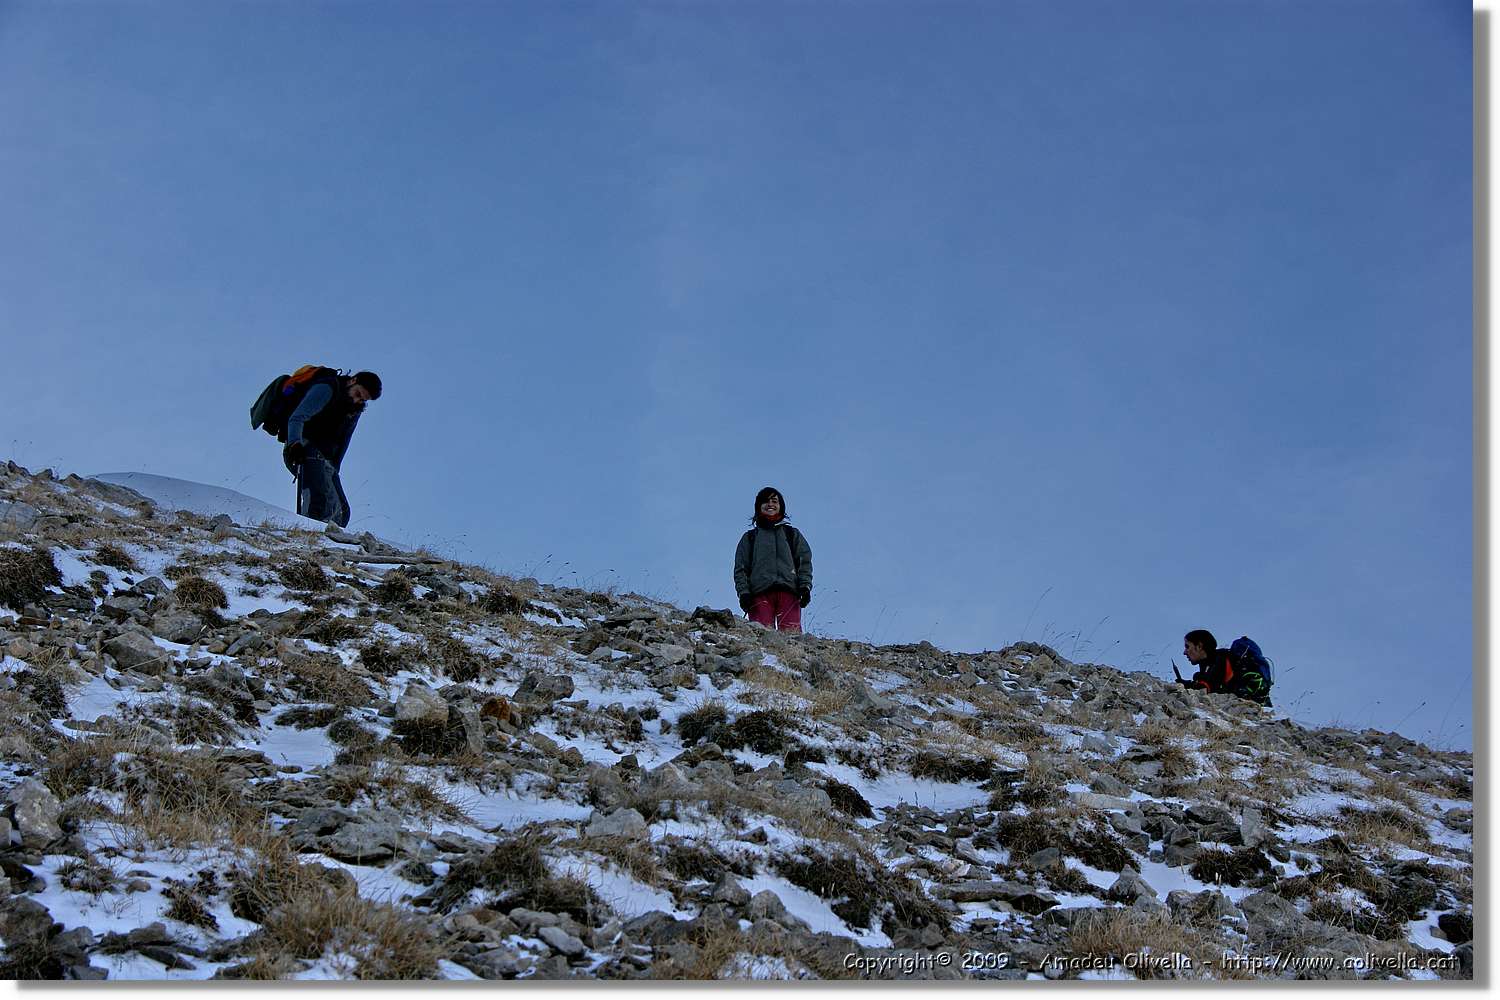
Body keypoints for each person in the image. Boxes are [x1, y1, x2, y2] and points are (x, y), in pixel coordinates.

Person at [282, 370, 382, 528]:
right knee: (319, 501)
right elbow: (297, 417)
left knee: (342, 512)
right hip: (303, 449)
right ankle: (307, 536)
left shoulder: (355, 409)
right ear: (352, 381)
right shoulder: (327, 389)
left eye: (362, 400)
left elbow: (344, 442)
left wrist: (335, 469)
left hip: (327, 460)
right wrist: (294, 444)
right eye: (357, 394)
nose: (357, 400)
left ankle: (325, 541)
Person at [733, 486, 813, 633]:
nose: (770, 504)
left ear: (781, 506)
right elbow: (741, 568)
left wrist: (805, 586)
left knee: (792, 638)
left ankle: (791, 657)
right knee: (762, 636)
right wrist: (743, 592)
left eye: (774, 501)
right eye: (765, 501)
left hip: (789, 591)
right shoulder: (750, 538)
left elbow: (804, 561)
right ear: (759, 507)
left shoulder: (791, 534)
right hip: (759, 593)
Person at [1179, 628, 1272, 706]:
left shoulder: (1219, 660)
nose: (1184, 652)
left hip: (1246, 707)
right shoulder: (1213, 661)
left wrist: (1184, 686)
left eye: (1187, 646)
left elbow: (1207, 689)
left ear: (1199, 646)